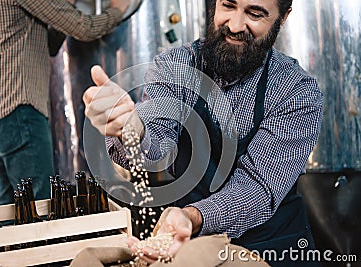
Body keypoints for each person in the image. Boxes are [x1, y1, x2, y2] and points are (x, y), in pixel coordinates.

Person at [83, 0, 323, 266]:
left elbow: (255, 188)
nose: (234, 25)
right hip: (189, 246)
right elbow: (156, 147)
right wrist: (133, 128)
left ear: (282, 17)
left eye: (254, 14)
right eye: (228, 6)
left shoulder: (297, 91)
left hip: (273, 248)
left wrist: (193, 216)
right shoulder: (175, 65)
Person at [0, 0, 129, 204]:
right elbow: (85, 28)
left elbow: (48, 45)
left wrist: (68, 5)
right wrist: (118, 10)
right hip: (17, 106)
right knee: (40, 204)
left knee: (13, 204)